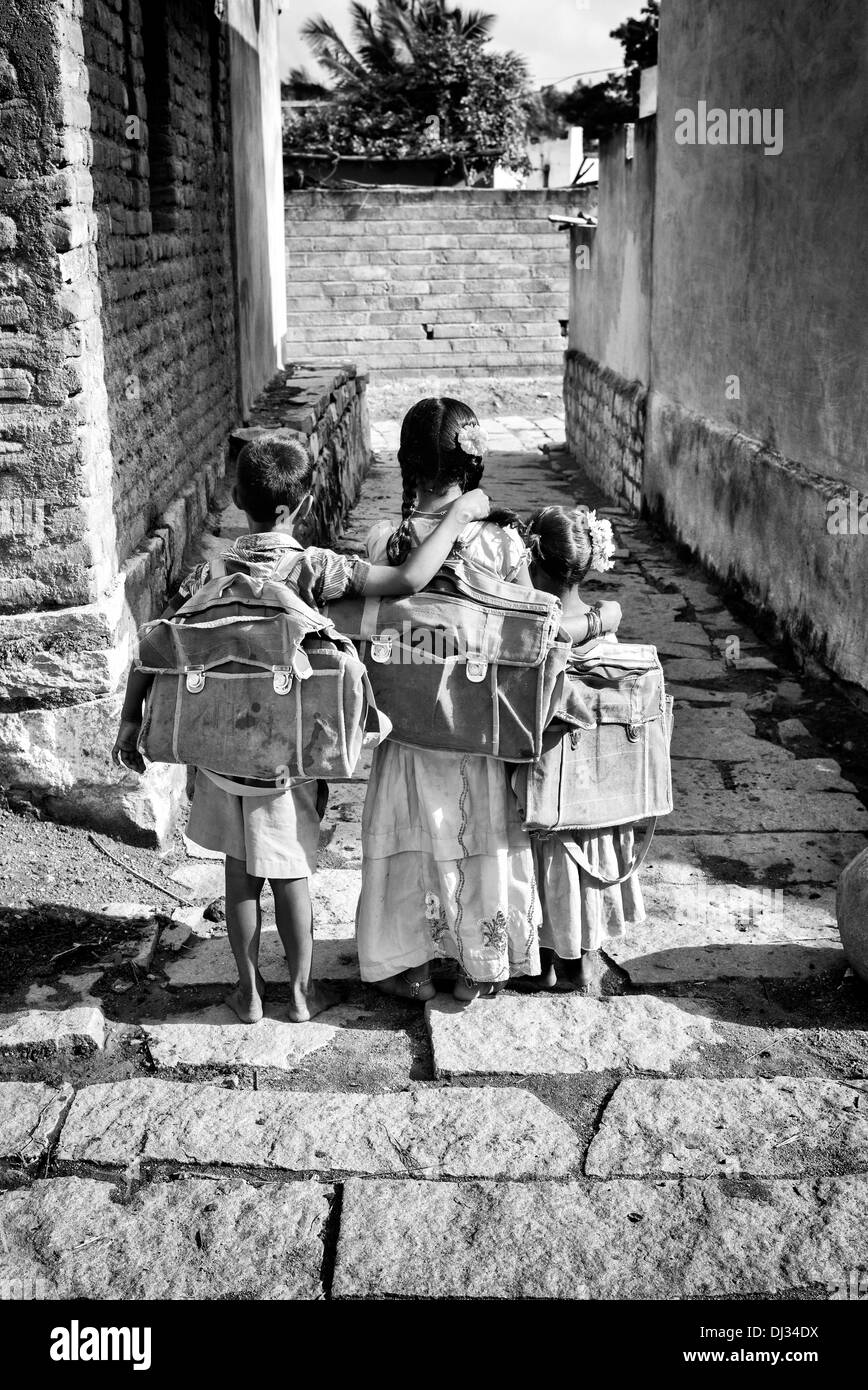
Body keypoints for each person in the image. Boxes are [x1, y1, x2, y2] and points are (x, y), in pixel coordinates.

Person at [111, 434, 490, 1024]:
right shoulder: (313, 568)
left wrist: (131, 721)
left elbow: (157, 644)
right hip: (287, 758)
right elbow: (408, 580)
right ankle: (302, 994)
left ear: (236, 498)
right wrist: (463, 512)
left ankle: (249, 992)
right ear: (305, 501)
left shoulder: (208, 568)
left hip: (217, 752)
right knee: (289, 873)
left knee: (238, 871)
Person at [355, 397, 544, 1004]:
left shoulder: (385, 539)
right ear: (472, 463)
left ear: (407, 463)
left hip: (408, 728)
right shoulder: (503, 546)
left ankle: (407, 961)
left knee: (409, 837)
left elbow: (368, 627)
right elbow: (531, 638)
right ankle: (479, 963)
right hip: (479, 729)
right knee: (479, 838)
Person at [517, 504, 642, 994]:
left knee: (549, 865)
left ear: (533, 560)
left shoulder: (534, 630)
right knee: (584, 862)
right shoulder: (604, 627)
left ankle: (550, 963)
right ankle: (582, 958)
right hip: (599, 786)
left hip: (547, 785)